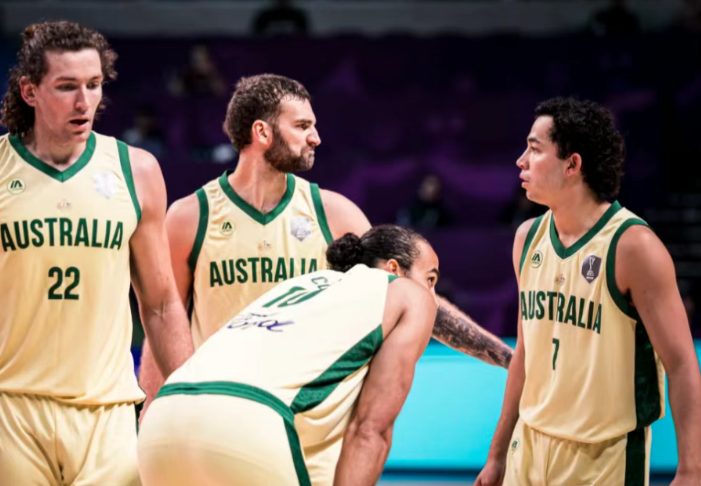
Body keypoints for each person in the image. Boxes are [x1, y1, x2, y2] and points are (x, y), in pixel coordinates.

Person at [0, 20, 193, 486]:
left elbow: (160, 305)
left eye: (94, 85)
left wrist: (194, 405)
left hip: (108, 415)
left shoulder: (136, 171)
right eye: (67, 86)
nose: (84, 102)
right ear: (29, 91)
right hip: (9, 412)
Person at [137, 73, 513, 416]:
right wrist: (152, 417)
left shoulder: (334, 214)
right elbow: (162, 320)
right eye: (302, 126)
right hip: (222, 415)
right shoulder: (190, 217)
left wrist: (506, 359)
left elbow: (413, 298)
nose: (316, 137)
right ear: (262, 132)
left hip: (306, 422)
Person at [475, 97, 701, 486]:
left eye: (534, 149)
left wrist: (692, 470)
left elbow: (681, 363)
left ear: (572, 164)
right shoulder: (527, 239)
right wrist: (496, 455)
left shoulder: (633, 247)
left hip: (602, 458)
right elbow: (525, 354)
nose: (521, 161)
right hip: (528, 447)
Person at [138, 225, 440, 486]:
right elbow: (370, 430)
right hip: (246, 422)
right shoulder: (409, 295)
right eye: (430, 279)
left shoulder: (302, 284)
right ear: (392, 269)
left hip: (163, 422)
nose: (434, 297)